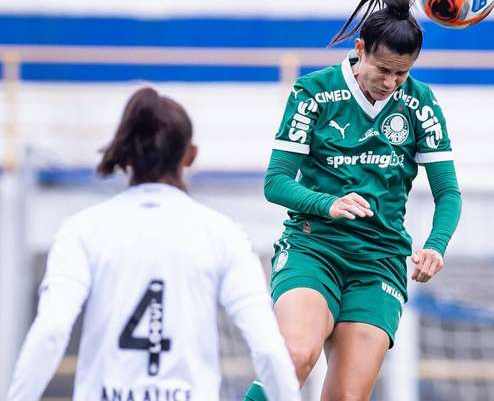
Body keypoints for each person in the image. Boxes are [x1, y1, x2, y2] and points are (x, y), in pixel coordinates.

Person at [242, 0, 462, 401]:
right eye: (383, 70)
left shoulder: (420, 104)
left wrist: (435, 247)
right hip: (314, 245)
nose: (391, 83)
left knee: (345, 396)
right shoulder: (314, 93)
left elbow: (449, 194)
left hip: (379, 261)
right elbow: (276, 182)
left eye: (403, 73)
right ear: (360, 49)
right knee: (296, 355)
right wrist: (329, 204)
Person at [6, 87, 300, 401]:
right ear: (190, 155)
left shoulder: (83, 230)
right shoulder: (223, 235)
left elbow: (51, 331)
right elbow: (268, 348)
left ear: (125, 152)